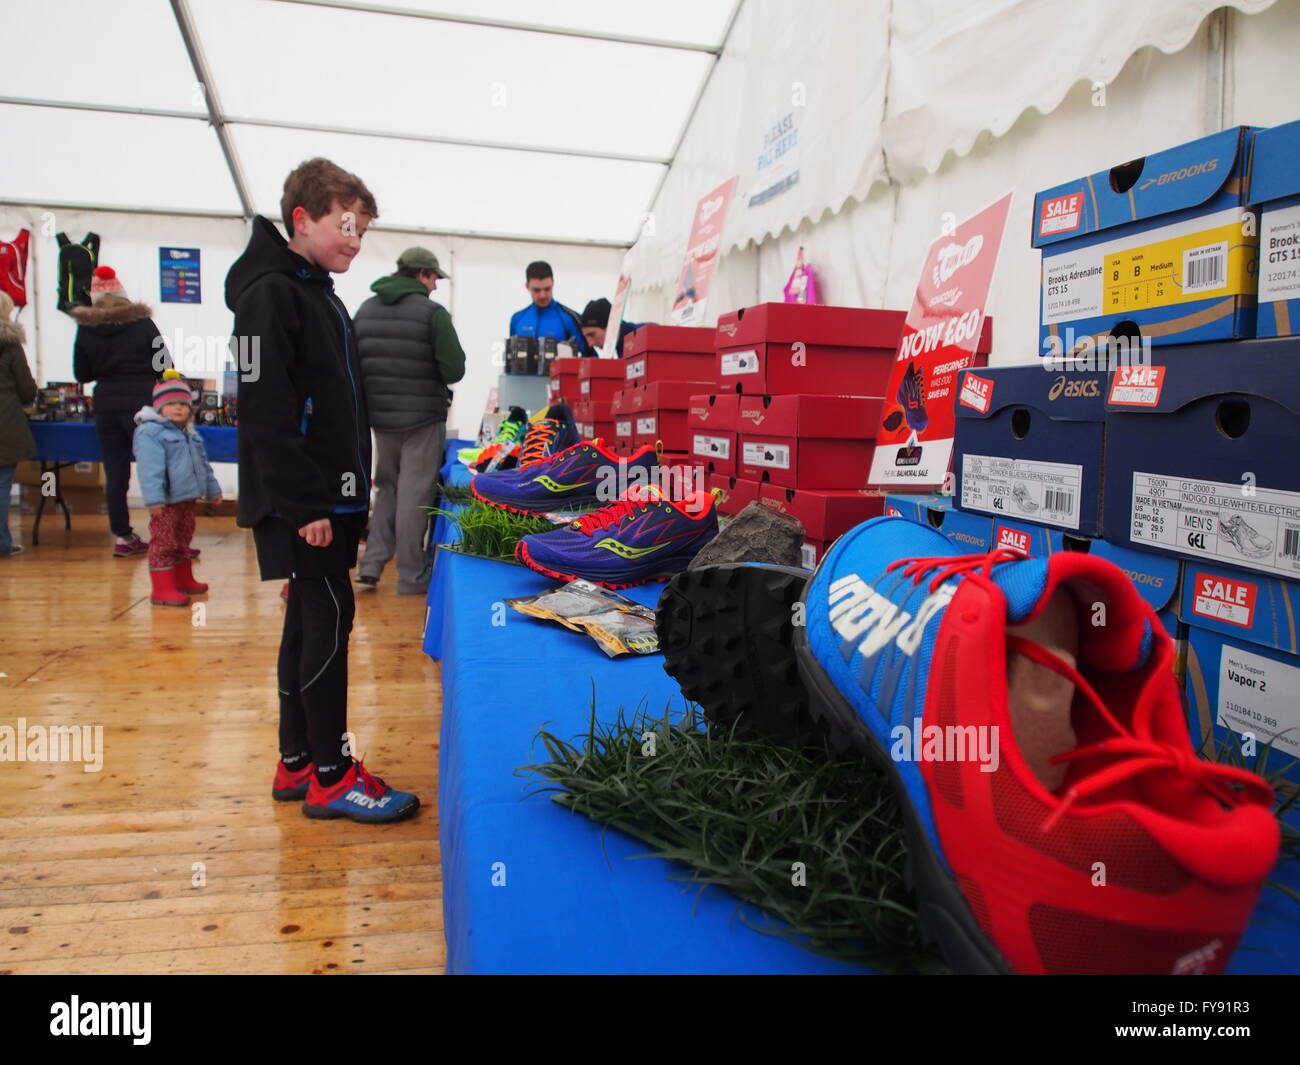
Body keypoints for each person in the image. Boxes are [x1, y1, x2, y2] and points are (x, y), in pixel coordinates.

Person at [225, 156, 419, 824]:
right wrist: (305, 504)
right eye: (345, 224)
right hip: (302, 498)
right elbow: (264, 407)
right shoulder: (270, 294)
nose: (355, 239)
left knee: (310, 617)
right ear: (301, 218)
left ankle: (298, 759)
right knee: (330, 616)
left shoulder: (312, 287)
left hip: (324, 493)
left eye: (363, 229)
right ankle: (333, 775)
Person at [352, 247, 465, 594]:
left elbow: (354, 363)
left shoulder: (365, 310)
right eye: (433, 279)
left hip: (380, 419)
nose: (434, 287)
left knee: (386, 488)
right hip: (421, 419)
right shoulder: (433, 314)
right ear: (420, 274)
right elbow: (454, 369)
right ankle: (410, 576)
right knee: (415, 496)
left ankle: (370, 565)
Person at [72, 265, 171, 557]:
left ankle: (123, 536)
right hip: (143, 406)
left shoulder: (86, 328)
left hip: (105, 407)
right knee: (154, 470)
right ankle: (165, 536)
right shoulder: (142, 324)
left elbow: (82, 374)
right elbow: (164, 363)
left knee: (115, 474)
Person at [133, 370, 221, 605]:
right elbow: (149, 471)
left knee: (183, 538)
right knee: (164, 542)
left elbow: (203, 465)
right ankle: (161, 590)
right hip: (166, 502)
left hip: (187, 498)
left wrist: (213, 490)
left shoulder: (190, 434)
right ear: (159, 407)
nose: (178, 408)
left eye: (183, 404)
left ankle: (183, 580)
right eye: (171, 404)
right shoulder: (150, 433)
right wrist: (154, 500)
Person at [0, 290, 37, 557]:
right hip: (6, 421)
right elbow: (26, 389)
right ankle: (2, 542)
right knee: (2, 485)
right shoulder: (10, 344)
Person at [508, 261, 587, 354]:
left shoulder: (569, 318)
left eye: (547, 289)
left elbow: (589, 356)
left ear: (553, 283)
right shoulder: (517, 319)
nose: (542, 295)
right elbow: (511, 357)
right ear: (527, 286)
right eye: (536, 290)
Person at [579, 298, 644, 358]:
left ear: (609, 327)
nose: (590, 344)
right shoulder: (622, 344)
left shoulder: (640, 337)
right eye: (586, 337)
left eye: (592, 335)